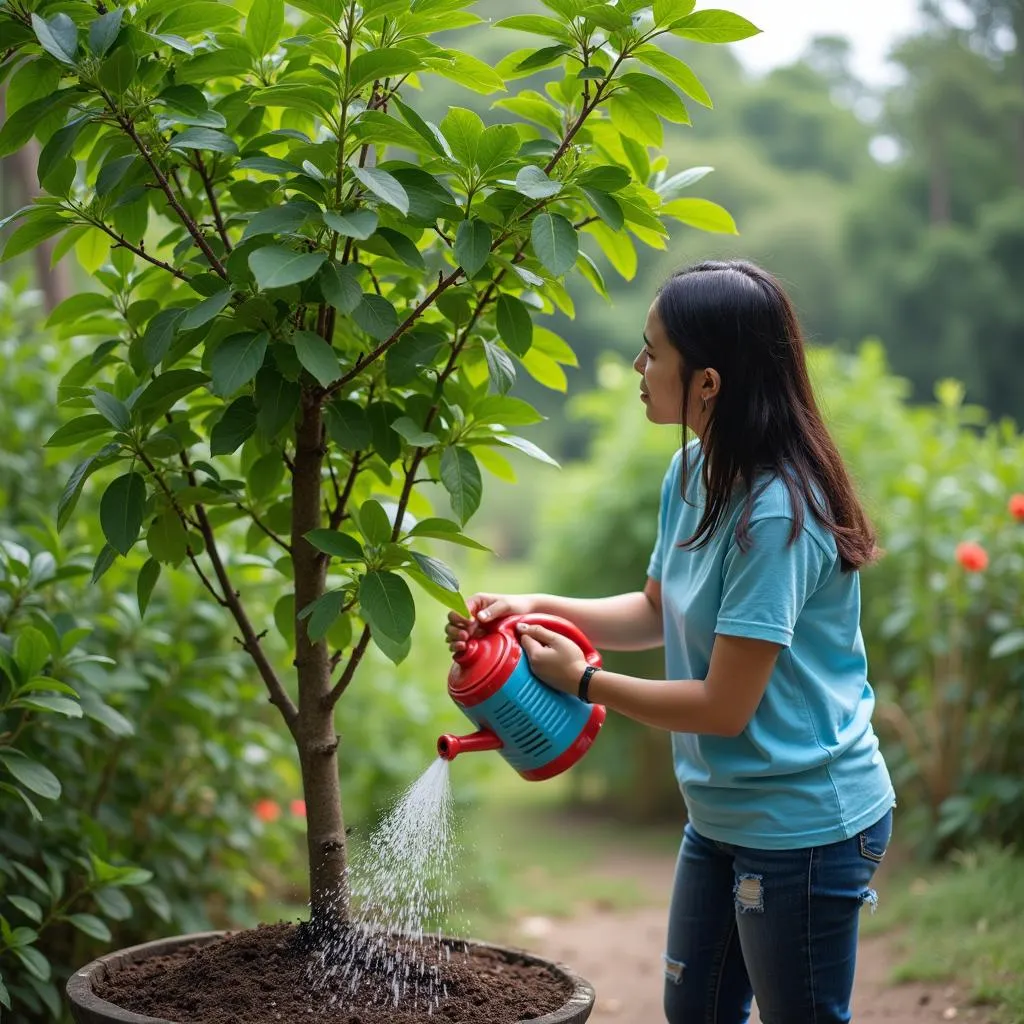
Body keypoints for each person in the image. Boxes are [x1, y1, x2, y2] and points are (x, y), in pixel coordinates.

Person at [445, 260, 896, 1024]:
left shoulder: (778, 516)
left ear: (709, 383)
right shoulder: (692, 472)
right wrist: (533, 606)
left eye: (653, 351)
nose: (638, 366)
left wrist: (584, 684)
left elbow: (724, 707)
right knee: (697, 1014)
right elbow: (656, 611)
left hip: (804, 826)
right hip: (722, 815)